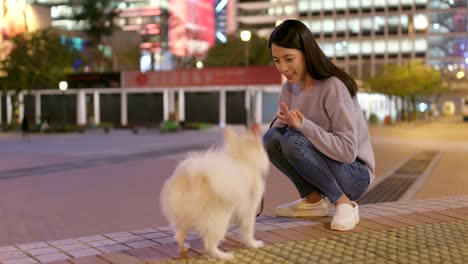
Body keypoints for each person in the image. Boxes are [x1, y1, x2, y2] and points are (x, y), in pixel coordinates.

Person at [262, 19, 375, 231]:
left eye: (289, 59)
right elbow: (281, 134)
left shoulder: (333, 86)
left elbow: (348, 152)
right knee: (271, 139)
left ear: (307, 52)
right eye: (277, 60)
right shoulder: (289, 88)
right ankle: (313, 201)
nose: (283, 68)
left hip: (355, 174)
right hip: (329, 164)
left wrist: (304, 125)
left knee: (293, 141)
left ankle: (344, 203)